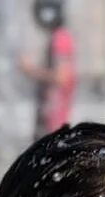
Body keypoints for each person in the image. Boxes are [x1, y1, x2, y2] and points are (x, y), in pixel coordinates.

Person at [19, 1, 77, 142]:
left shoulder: (61, 38)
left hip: (55, 118)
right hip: (50, 114)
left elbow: (61, 77)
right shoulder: (60, 36)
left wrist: (30, 69)